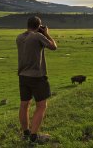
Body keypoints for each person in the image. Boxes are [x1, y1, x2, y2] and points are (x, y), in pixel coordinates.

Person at [16, 16, 57, 145]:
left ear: (27, 25)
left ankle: (26, 133)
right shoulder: (38, 37)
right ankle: (34, 136)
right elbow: (54, 47)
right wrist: (47, 34)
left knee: (24, 105)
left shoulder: (19, 37)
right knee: (41, 106)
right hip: (37, 77)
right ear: (39, 26)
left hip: (23, 76)